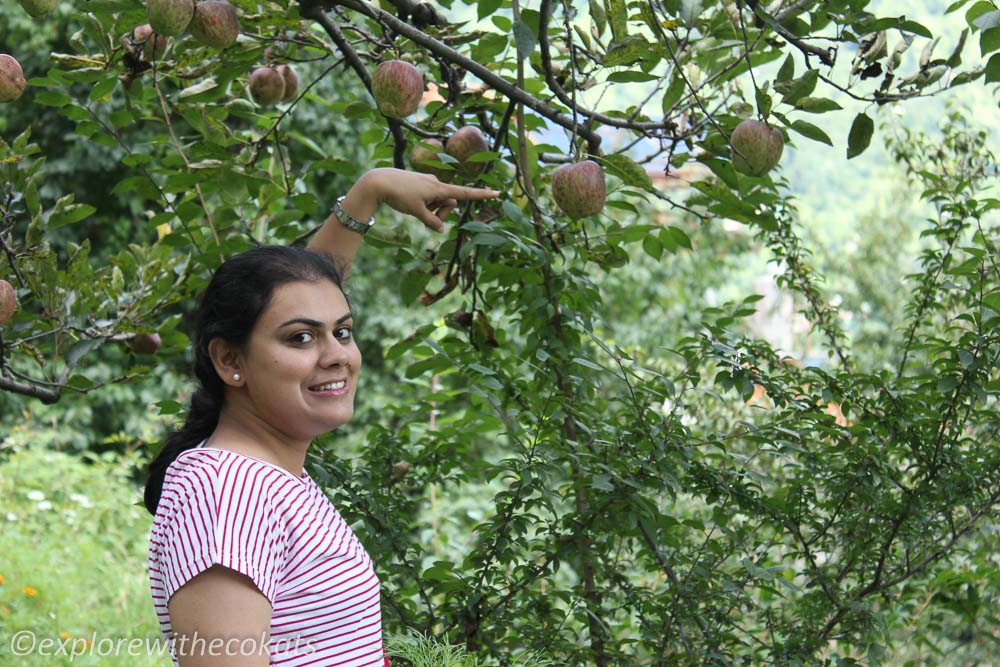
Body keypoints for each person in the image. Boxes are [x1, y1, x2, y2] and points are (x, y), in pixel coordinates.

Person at [143, 168, 500, 667]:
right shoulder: (226, 493)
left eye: (344, 332)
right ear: (230, 361)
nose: (336, 355)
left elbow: (299, 293)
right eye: (302, 339)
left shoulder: (261, 476)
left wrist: (368, 193)